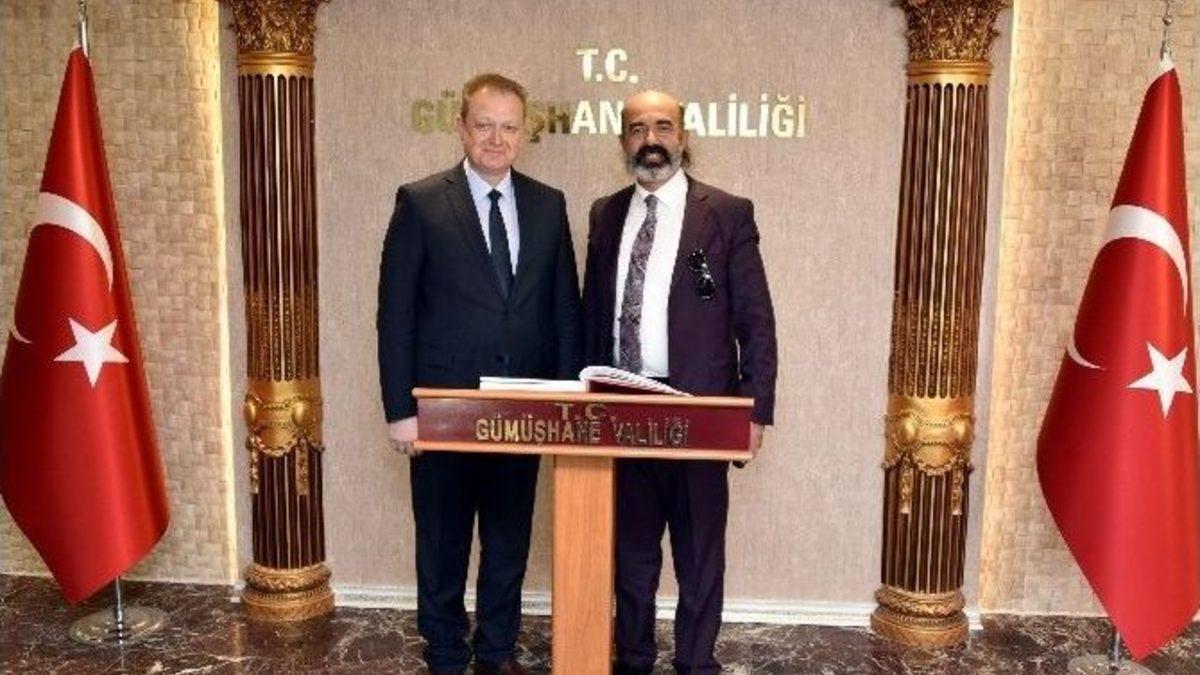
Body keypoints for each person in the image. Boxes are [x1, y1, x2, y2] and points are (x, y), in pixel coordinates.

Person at [377, 72, 583, 675]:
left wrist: (568, 402)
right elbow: (395, 314)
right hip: (443, 410)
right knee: (442, 542)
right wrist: (401, 411)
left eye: (509, 127)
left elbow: (564, 309)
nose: (497, 138)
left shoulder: (548, 205)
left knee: (508, 540)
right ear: (462, 128)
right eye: (485, 125)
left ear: (524, 133)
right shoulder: (420, 201)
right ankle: (444, 652)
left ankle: (496, 651)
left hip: (525, 408)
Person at [581, 90, 777, 675]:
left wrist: (754, 412)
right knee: (631, 558)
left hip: (699, 414)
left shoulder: (726, 213)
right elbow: (593, 315)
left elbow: (755, 321)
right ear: (623, 141)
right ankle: (634, 660)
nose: (651, 140)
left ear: (683, 136)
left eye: (663, 127)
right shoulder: (604, 213)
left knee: (699, 560)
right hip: (620, 410)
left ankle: (696, 664)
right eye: (638, 128)